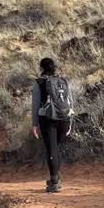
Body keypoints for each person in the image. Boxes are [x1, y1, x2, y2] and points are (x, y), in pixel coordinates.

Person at [32, 57, 74, 193]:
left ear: (41, 68)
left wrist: (35, 124)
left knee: (52, 150)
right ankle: (56, 178)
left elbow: (35, 105)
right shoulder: (62, 81)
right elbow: (70, 102)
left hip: (47, 119)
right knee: (56, 149)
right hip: (64, 119)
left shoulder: (39, 82)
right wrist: (70, 123)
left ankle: (54, 182)